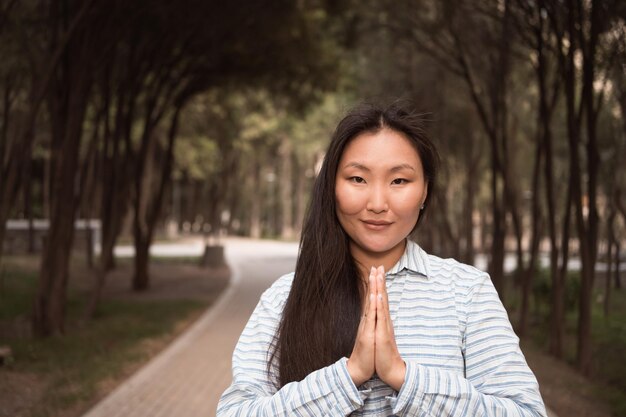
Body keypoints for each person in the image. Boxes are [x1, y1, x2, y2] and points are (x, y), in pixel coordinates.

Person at [217, 102, 547, 416]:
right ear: (332, 187)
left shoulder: (467, 292)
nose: (377, 202)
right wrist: (348, 375)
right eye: (358, 179)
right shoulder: (283, 298)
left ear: (425, 192)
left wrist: (403, 377)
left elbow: (526, 411)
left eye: (399, 181)